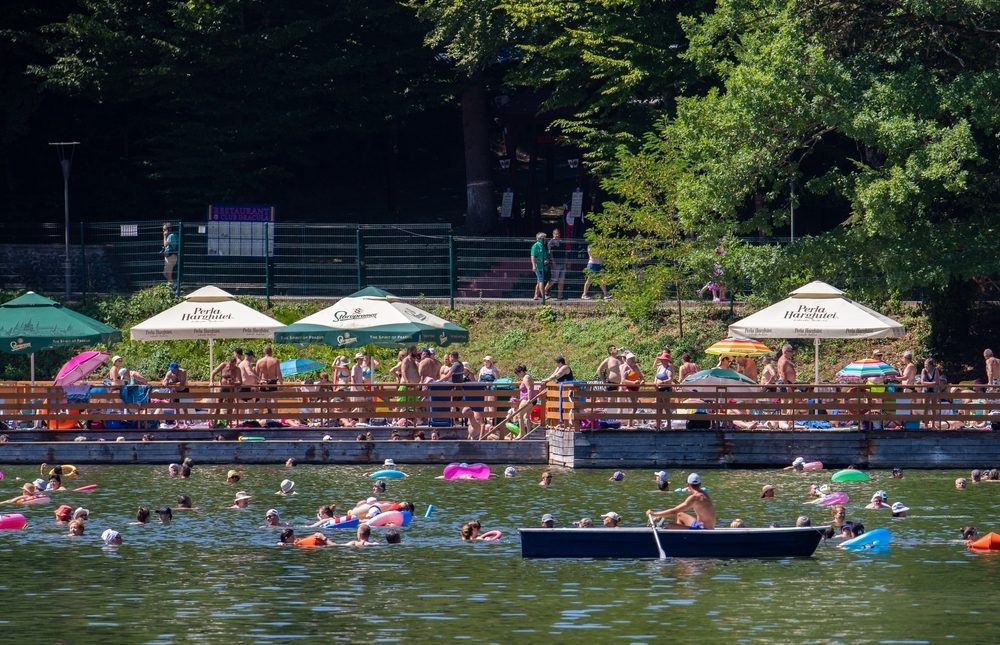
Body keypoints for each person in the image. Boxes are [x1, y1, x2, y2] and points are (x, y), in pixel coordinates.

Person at [647, 472, 717, 530]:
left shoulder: (695, 497)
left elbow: (674, 511)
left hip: (704, 530)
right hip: (701, 525)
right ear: (700, 484)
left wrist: (654, 514)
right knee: (680, 515)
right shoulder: (703, 493)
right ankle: (682, 536)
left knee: (669, 526)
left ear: (688, 484)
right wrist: (660, 516)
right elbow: (677, 512)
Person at [546, 227, 568, 299]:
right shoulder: (551, 242)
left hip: (563, 263)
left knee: (561, 280)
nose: (557, 235)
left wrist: (566, 262)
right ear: (553, 234)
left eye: (558, 234)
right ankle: (544, 291)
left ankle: (559, 296)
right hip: (555, 264)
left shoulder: (562, 242)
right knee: (554, 279)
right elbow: (550, 253)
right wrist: (553, 262)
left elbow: (565, 252)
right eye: (555, 234)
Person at [530, 232, 549, 300]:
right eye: (545, 238)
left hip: (542, 266)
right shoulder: (536, 245)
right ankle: (543, 296)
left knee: (539, 281)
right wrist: (534, 266)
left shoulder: (542, 245)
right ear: (541, 238)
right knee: (541, 281)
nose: (546, 239)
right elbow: (533, 256)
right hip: (538, 267)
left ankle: (536, 296)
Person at [162, 222, 179, 289]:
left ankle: (174, 286)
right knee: (165, 273)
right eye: (163, 229)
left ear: (168, 229)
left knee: (168, 273)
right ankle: (172, 285)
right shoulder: (171, 235)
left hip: (171, 256)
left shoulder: (171, 236)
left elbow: (165, 244)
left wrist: (164, 236)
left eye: (164, 229)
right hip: (169, 256)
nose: (163, 231)